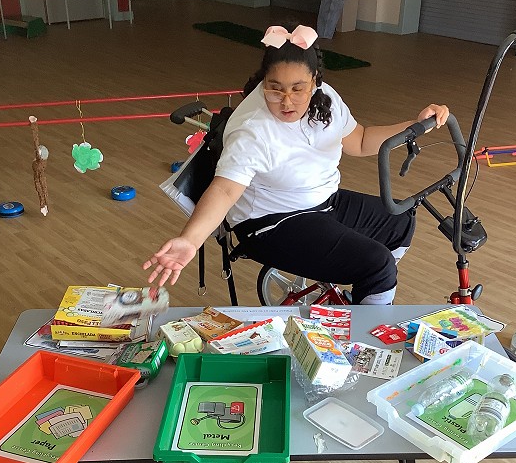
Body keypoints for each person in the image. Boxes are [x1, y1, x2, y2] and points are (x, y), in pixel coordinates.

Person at [144, 23, 449, 304]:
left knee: (400, 220)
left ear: (315, 81)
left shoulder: (326, 97)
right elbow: (224, 191)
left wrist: (415, 125)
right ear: (264, 81)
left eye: (297, 89)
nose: (286, 101)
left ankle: (368, 296)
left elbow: (359, 140)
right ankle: (367, 326)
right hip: (272, 222)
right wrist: (190, 240)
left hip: (322, 202)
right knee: (377, 264)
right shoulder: (252, 128)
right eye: (275, 88)